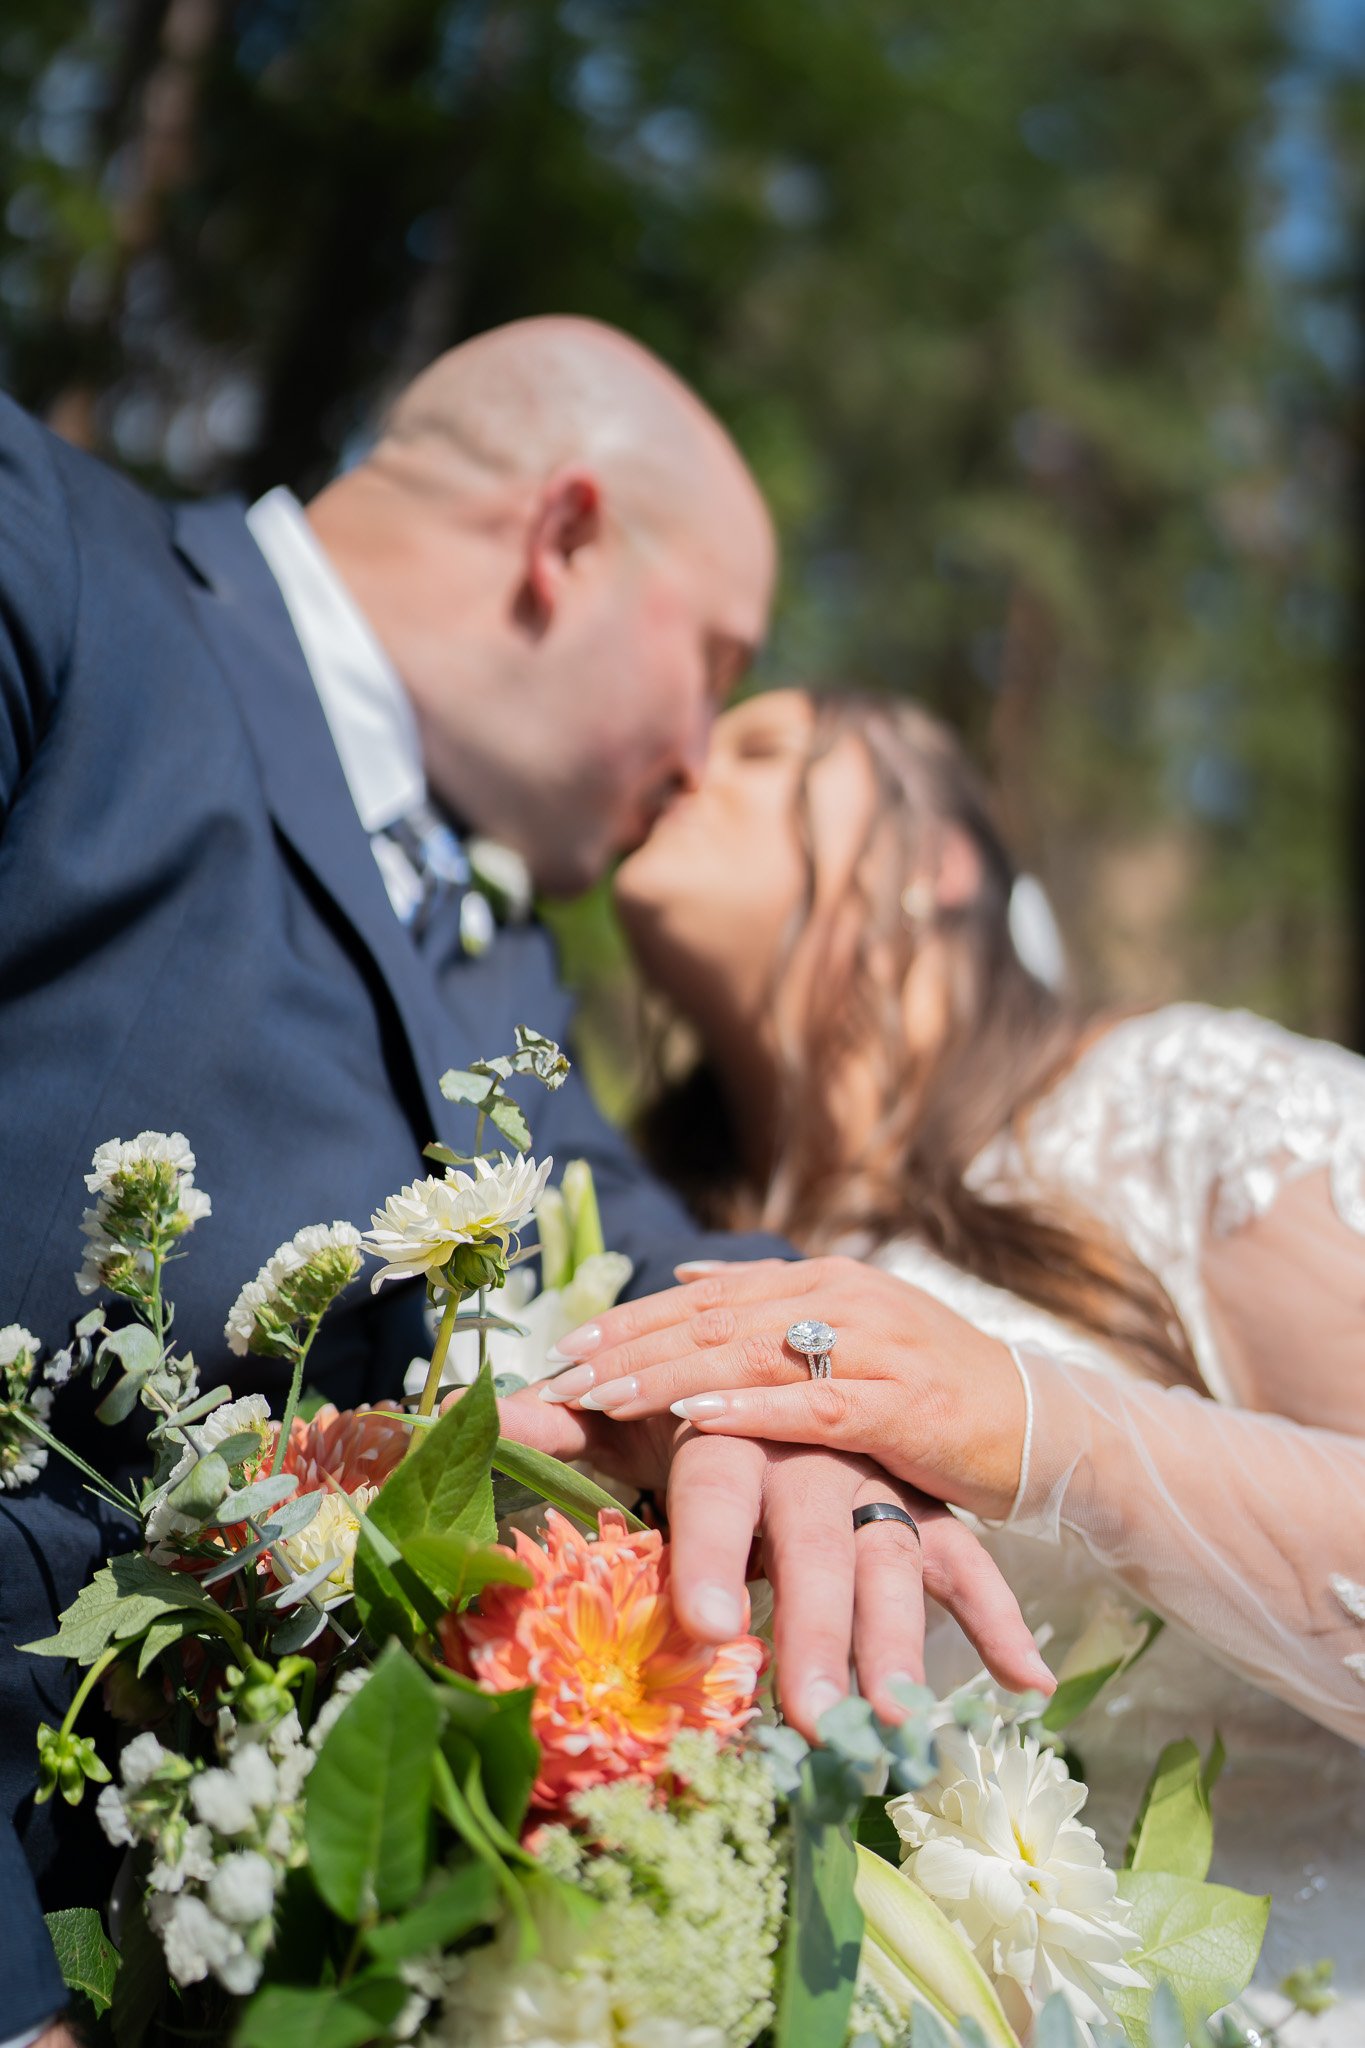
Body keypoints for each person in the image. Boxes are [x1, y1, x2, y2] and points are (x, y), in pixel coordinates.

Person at [0, 323, 1045, 2046]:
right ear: (562, 541)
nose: (707, 755)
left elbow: (638, 1245)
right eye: (715, 660)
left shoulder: (503, 980)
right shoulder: (46, 560)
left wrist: (809, 1414)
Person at [524, 686, 1365, 2028]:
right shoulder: (640, 1241)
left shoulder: (1175, 1107)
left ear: (939, 861)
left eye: (764, 746)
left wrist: (1042, 1427)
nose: (684, 761)